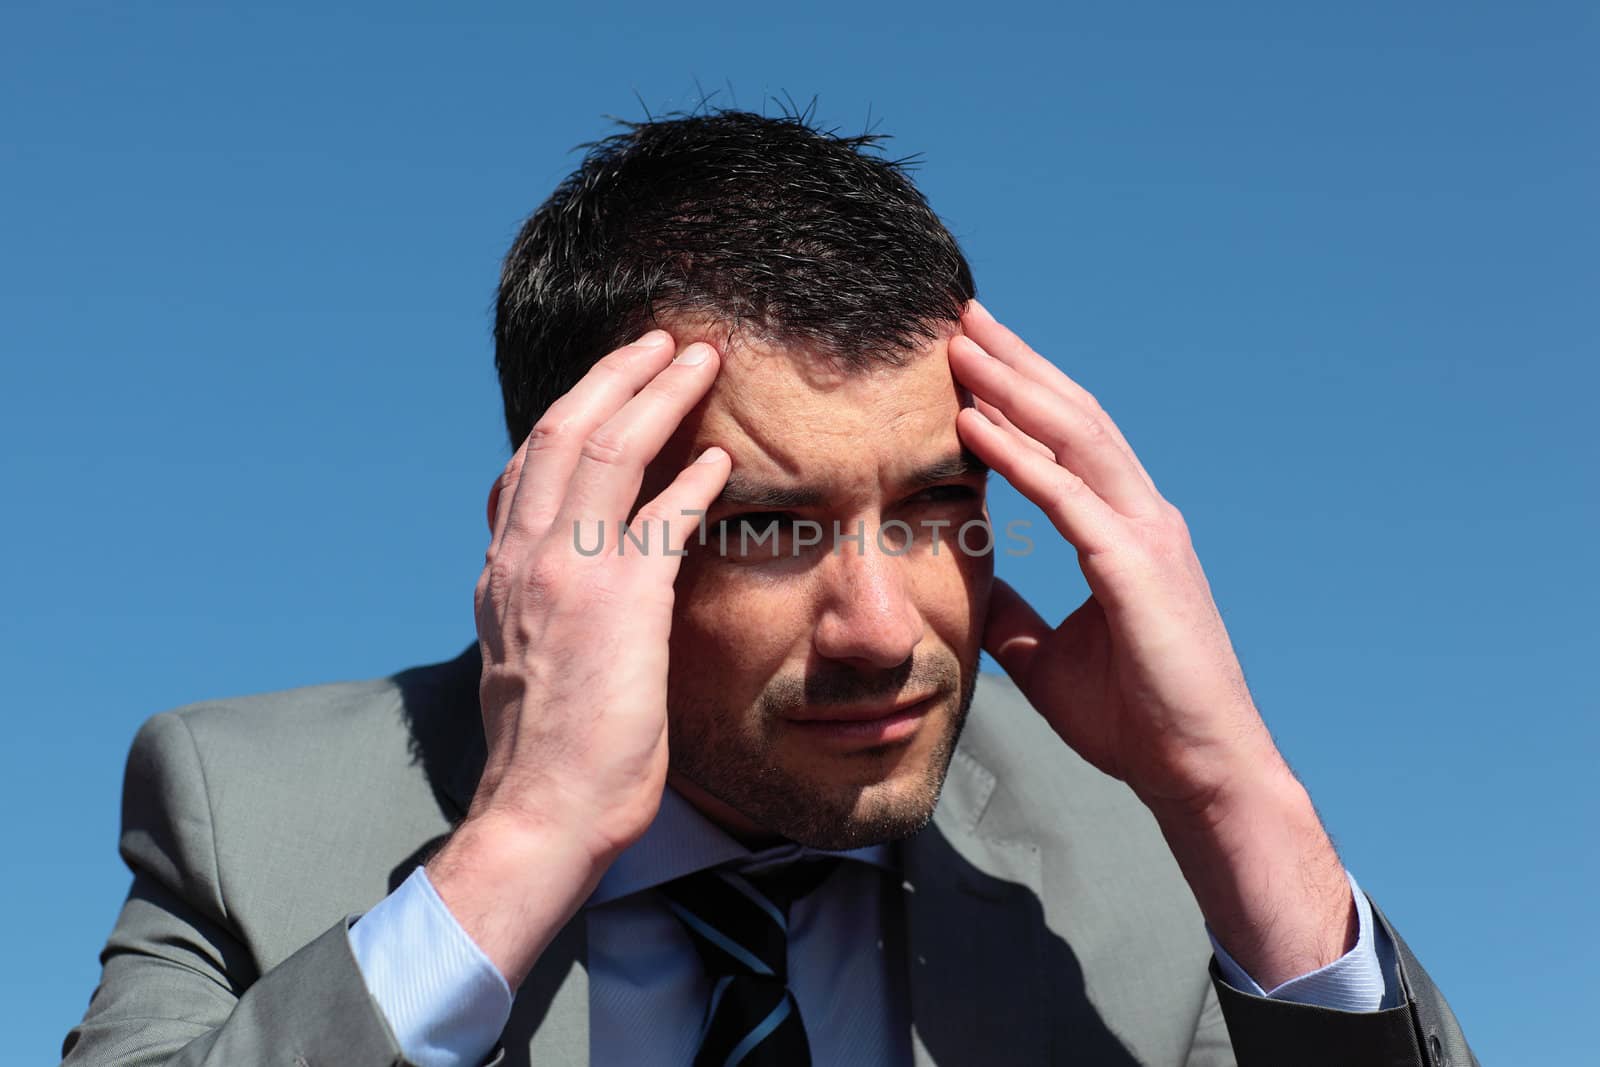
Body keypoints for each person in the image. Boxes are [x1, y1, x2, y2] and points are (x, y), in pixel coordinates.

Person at [62, 108, 1476, 1067]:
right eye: (768, 530)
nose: (884, 633)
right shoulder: (241, 812)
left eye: (936, 510)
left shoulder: (1150, 873)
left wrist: (1230, 796)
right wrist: (526, 839)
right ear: (562, 534)